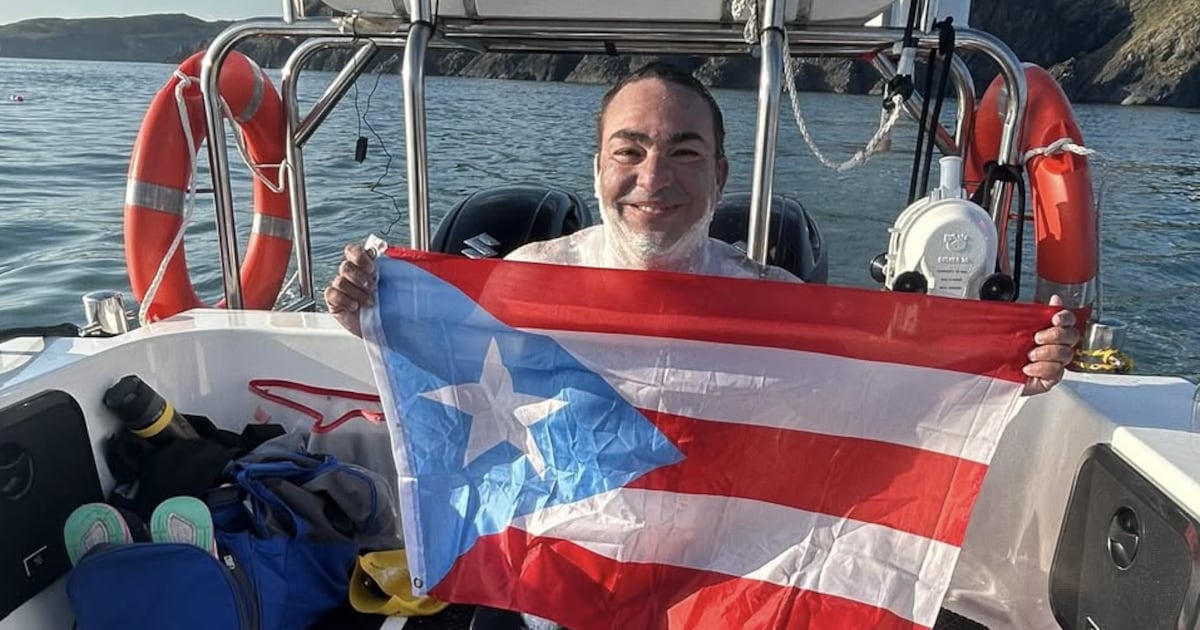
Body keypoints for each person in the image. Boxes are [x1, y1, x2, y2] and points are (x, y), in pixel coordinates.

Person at [325, 62, 1079, 396]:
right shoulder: (525, 278)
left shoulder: (776, 302)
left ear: (720, 175)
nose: (654, 178)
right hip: (553, 580)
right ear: (597, 168)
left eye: (685, 153)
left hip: (717, 585)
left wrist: (1015, 366)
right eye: (629, 151)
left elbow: (895, 393)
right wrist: (372, 316)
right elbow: (445, 368)